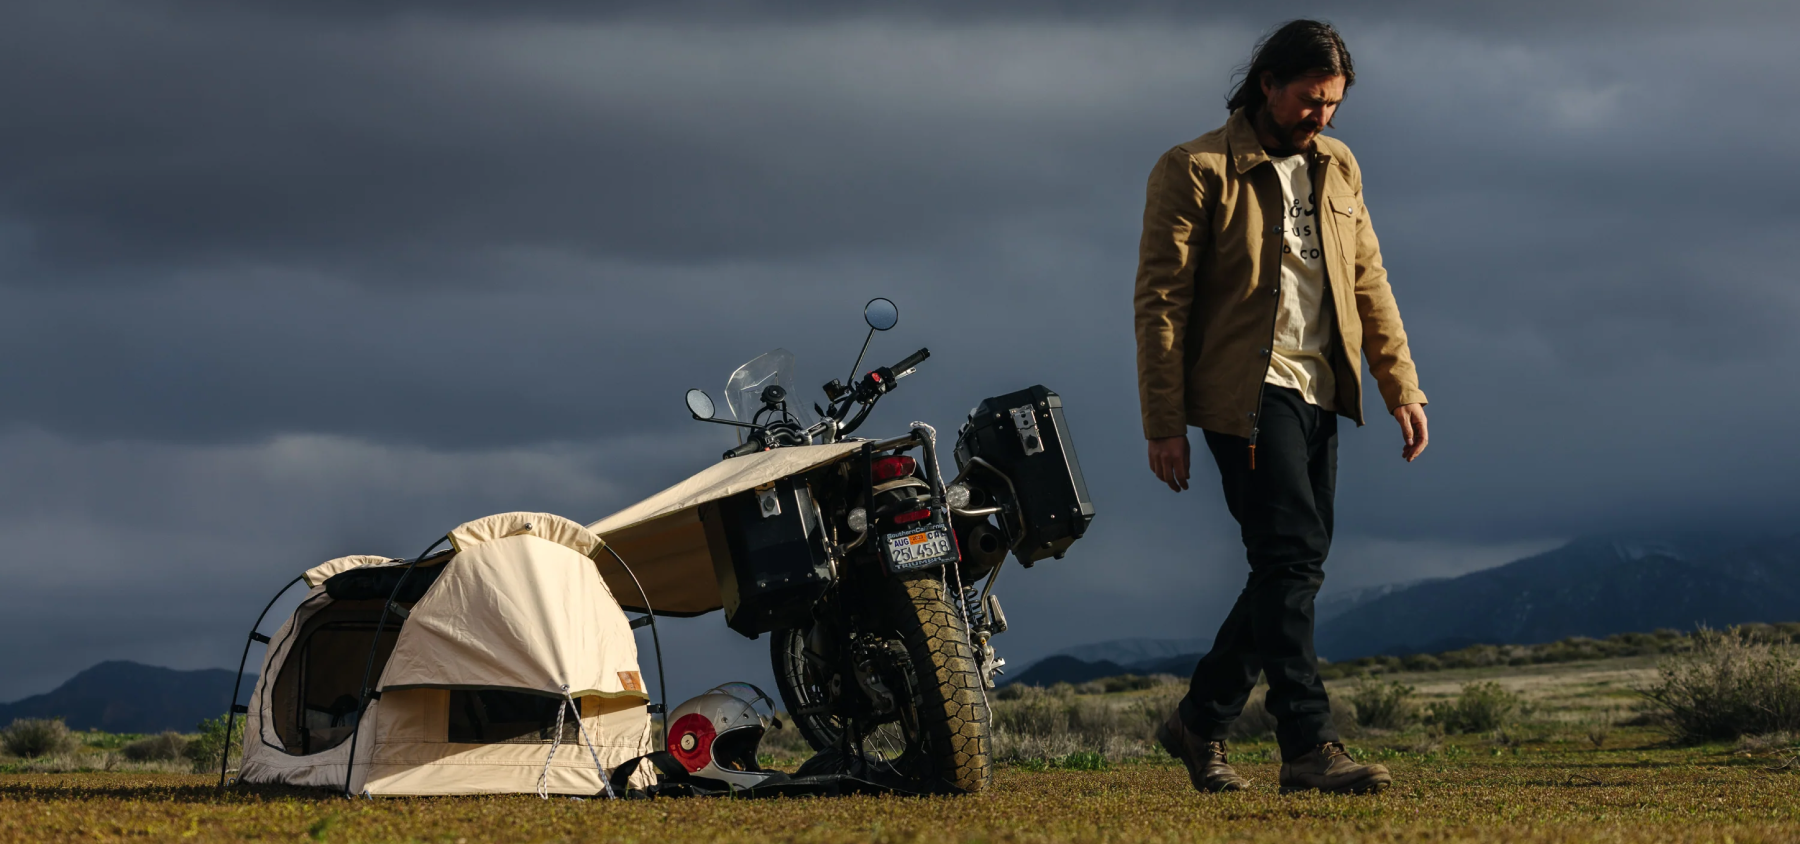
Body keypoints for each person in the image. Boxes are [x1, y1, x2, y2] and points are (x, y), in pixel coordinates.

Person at [1133, 19, 1428, 795]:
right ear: (1268, 83)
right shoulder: (1195, 169)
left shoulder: (1339, 166)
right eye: (1309, 99)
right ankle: (1306, 744)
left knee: (1289, 566)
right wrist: (1164, 422)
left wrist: (1401, 384)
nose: (1321, 117)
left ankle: (1199, 719)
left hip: (1322, 387)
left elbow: (1369, 277)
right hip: (1244, 394)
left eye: (1333, 104)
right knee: (1291, 558)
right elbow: (1161, 304)